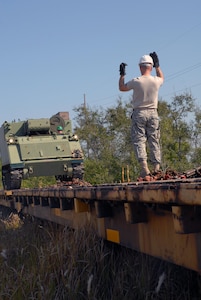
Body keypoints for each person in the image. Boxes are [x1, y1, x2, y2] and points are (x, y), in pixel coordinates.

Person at [119, 52, 164, 179]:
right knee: (154, 139)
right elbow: (162, 77)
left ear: (140, 67)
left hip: (139, 113)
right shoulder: (156, 81)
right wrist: (158, 66)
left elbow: (121, 88)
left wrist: (122, 74)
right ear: (151, 67)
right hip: (153, 113)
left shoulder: (136, 81)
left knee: (139, 140)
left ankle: (144, 167)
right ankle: (156, 167)